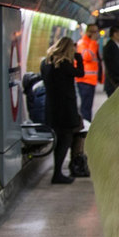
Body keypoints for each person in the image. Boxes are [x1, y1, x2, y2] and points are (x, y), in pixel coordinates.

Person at [40, 37, 84, 184]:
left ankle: (61, 170)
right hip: (65, 108)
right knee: (65, 139)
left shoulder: (45, 63)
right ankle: (58, 173)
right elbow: (80, 73)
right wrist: (79, 58)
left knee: (61, 138)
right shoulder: (64, 64)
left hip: (51, 107)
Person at [75, 24, 102, 122]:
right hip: (84, 80)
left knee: (88, 106)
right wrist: (93, 42)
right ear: (89, 32)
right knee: (85, 107)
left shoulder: (90, 42)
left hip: (90, 81)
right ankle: (85, 128)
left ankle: (87, 124)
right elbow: (87, 57)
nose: (96, 34)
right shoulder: (83, 43)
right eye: (94, 32)